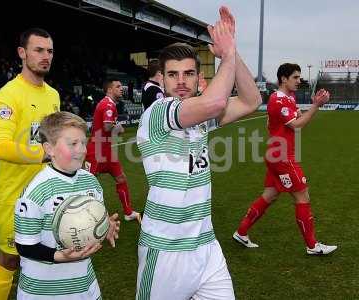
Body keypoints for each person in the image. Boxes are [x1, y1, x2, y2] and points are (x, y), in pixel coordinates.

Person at [136, 6, 261, 300]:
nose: (181, 81)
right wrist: (227, 55)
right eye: (173, 74)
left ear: (197, 78)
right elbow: (214, 103)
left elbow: (251, 99)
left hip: (206, 247)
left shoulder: (200, 115)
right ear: (162, 80)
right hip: (165, 250)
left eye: (189, 73)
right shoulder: (158, 112)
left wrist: (233, 51)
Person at [232, 63, 338, 255]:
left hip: (278, 154)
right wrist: (316, 106)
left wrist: (310, 106)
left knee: (270, 196)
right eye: (295, 77)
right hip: (282, 157)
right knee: (302, 195)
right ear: (284, 79)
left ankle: (241, 232)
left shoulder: (289, 97)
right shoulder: (278, 100)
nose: (299, 81)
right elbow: (297, 125)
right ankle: (312, 246)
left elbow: (293, 118)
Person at [14, 111, 120, 299]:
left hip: (85, 286)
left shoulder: (90, 182)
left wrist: (105, 226)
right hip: (43, 292)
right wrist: (60, 256)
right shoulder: (35, 192)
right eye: (73, 144)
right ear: (49, 148)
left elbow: (92, 222)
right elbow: (24, 246)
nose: (82, 150)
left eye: (83, 143)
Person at [0, 28, 60, 300]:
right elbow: (2, 147)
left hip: (47, 193)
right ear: (22, 53)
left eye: (49, 51)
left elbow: (55, 137)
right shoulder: (7, 96)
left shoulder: (53, 95)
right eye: (38, 50)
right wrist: (45, 153)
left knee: (42, 257)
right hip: (14, 197)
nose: (45, 56)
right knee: (10, 260)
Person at [86, 78, 140, 222]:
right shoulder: (108, 105)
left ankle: (128, 212)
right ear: (109, 90)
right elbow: (107, 127)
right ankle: (85, 217)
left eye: (121, 86)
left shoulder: (108, 104)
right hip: (97, 150)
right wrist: (119, 128)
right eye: (117, 86)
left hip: (107, 150)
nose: (121, 88)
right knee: (88, 183)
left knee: (121, 177)